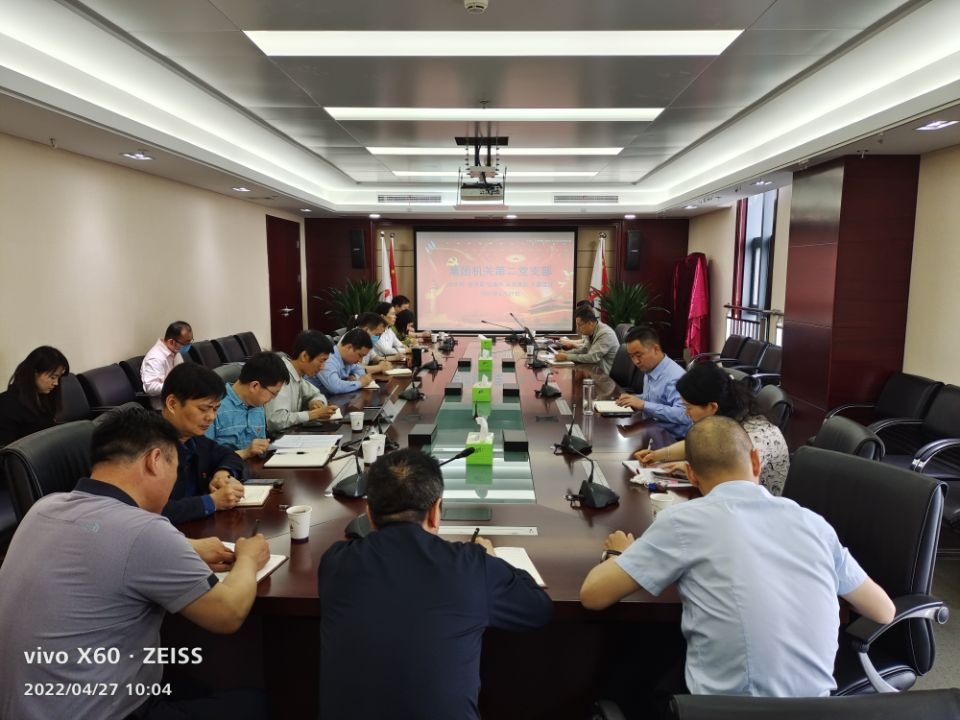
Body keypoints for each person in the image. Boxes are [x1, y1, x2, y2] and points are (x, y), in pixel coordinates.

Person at [580, 416, 895, 703]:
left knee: (638, 670)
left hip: (726, 711)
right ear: (756, 460)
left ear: (690, 474)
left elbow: (593, 596)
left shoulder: (683, 521)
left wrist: (619, 554)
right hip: (818, 711)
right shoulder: (814, 524)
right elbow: (883, 610)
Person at [0, 407, 270, 720]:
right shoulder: (145, 531)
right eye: (175, 468)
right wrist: (248, 558)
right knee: (256, 703)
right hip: (101, 712)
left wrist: (187, 546)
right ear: (155, 460)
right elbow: (228, 613)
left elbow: (96, 536)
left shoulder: (44, 508)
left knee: (193, 682)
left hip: (29, 705)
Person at [318, 449, 553, 720]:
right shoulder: (471, 566)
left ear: (369, 515)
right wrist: (492, 560)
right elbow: (539, 609)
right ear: (435, 511)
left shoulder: (335, 563)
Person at [635, 362, 791, 495]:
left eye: (688, 407)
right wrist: (658, 455)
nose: (686, 413)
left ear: (712, 407)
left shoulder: (745, 436)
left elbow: (730, 482)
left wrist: (692, 470)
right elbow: (699, 443)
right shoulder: (729, 420)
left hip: (758, 506)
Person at [160, 363, 246, 525]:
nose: (211, 417)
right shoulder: (148, 448)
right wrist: (212, 502)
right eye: (204, 409)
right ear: (172, 404)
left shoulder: (193, 439)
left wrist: (223, 474)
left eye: (215, 409)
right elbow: (153, 510)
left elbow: (229, 455)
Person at [206, 351, 288, 460]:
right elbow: (205, 458)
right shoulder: (214, 406)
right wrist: (245, 453)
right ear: (254, 386)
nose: (273, 399)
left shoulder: (257, 404)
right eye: (273, 394)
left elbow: (260, 448)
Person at [614, 326, 691, 439]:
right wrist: (634, 398)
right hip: (651, 430)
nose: (636, 361)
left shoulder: (676, 378)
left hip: (671, 439)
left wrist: (643, 405)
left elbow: (684, 414)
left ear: (656, 349)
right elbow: (654, 398)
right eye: (631, 357)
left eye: (639, 355)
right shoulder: (651, 368)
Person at [264, 330, 339, 434]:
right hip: (274, 439)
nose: (322, 367)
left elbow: (316, 394)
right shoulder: (280, 376)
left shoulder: (297, 375)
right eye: (321, 361)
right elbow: (275, 421)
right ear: (304, 356)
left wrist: (315, 402)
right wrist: (312, 414)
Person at [0, 346, 69, 446]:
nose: (56, 383)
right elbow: (8, 449)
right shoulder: (7, 404)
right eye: (53, 377)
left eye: (58, 378)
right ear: (34, 372)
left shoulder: (45, 396)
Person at [141, 320, 194, 409]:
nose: (189, 345)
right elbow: (150, 387)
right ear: (171, 342)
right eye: (186, 343)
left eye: (190, 341)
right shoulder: (156, 358)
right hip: (164, 406)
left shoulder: (175, 351)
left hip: (180, 399)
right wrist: (176, 386)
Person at [307, 328, 376, 395]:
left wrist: (354, 376)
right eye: (360, 355)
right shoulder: (327, 358)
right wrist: (360, 383)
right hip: (315, 400)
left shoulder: (348, 360)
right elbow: (335, 387)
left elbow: (360, 370)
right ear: (349, 347)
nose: (360, 360)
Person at [555, 305, 620, 374]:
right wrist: (566, 353)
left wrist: (567, 357)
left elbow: (592, 357)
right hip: (595, 370)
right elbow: (584, 349)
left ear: (590, 323)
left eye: (579, 325)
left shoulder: (606, 334)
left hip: (606, 375)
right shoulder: (590, 332)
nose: (578, 328)